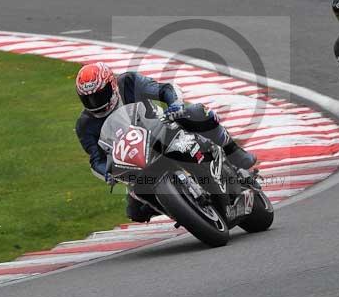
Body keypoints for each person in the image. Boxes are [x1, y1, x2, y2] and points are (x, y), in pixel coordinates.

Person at [74, 62, 257, 222]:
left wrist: (174, 104)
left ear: (112, 85)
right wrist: (107, 172)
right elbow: (96, 160)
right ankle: (181, 209)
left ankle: (235, 153)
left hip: (162, 129)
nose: (94, 101)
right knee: (135, 212)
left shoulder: (128, 82)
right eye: (88, 98)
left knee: (197, 112)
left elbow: (164, 89)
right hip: (134, 161)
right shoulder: (85, 125)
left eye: (99, 94)